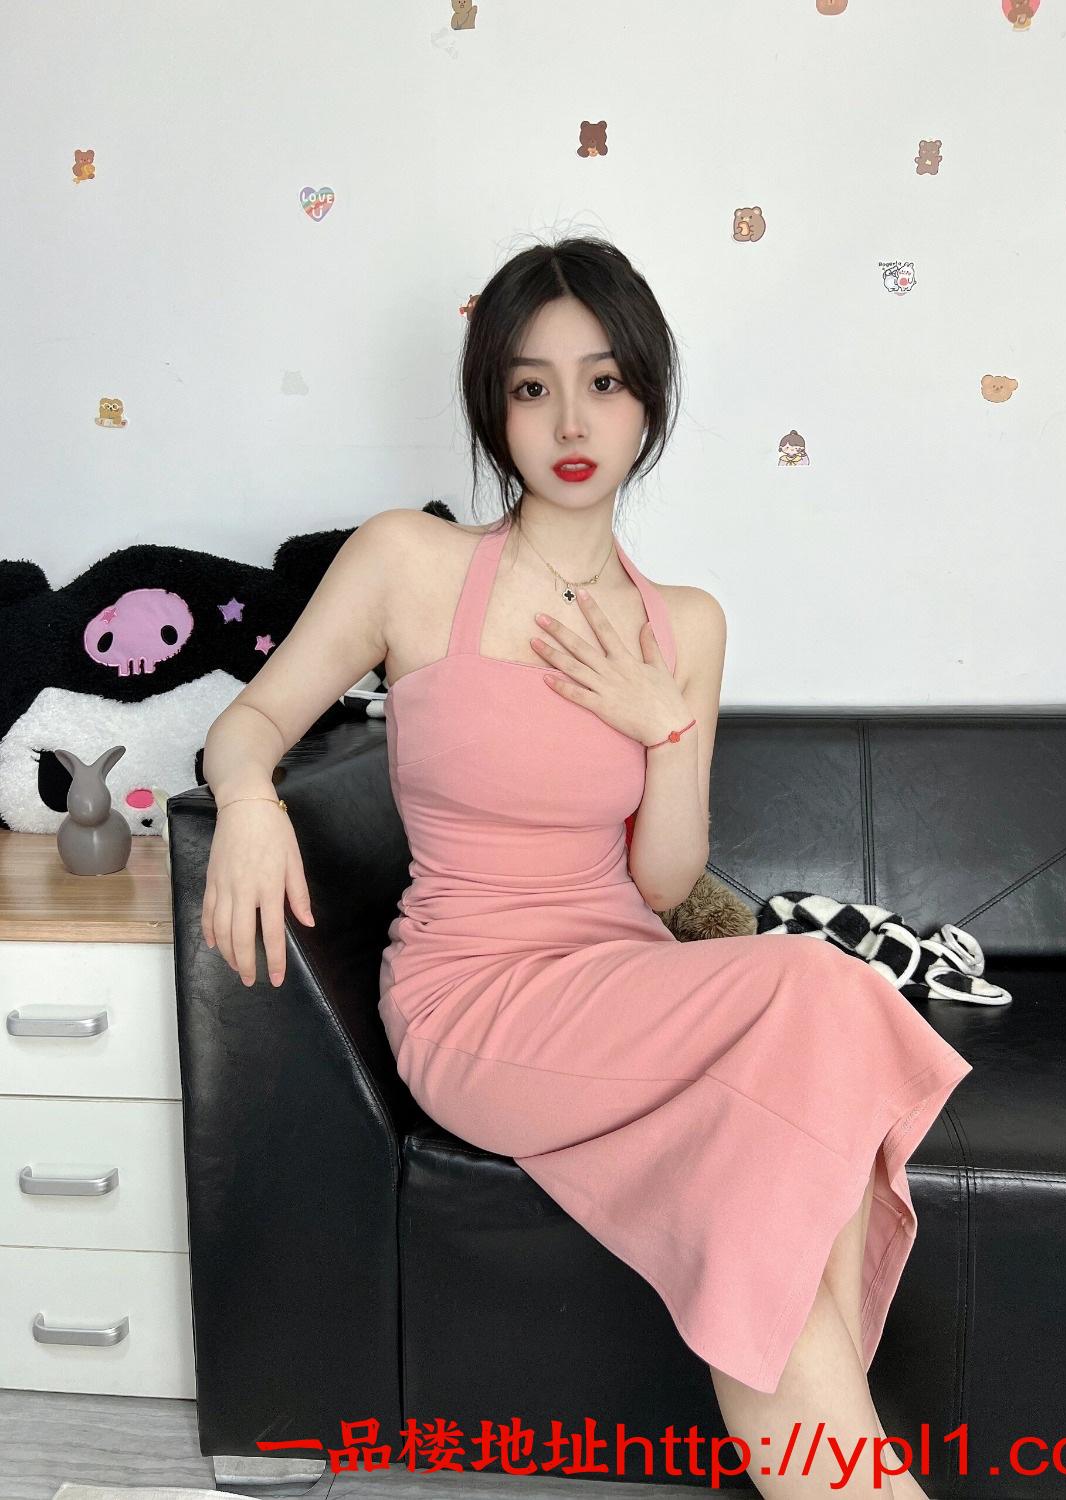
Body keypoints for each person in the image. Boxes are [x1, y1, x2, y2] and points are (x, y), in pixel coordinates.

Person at [202, 236, 971, 1499]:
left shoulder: (688, 623)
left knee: (784, 1133)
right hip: (474, 1001)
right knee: (824, 995)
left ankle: (833, 1467)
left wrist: (664, 727)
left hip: (626, 981)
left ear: (648, 401)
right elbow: (251, 720)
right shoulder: (409, 562)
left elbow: (663, 886)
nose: (570, 422)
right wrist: (246, 800)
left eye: (604, 382)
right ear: (492, 409)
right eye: (531, 387)